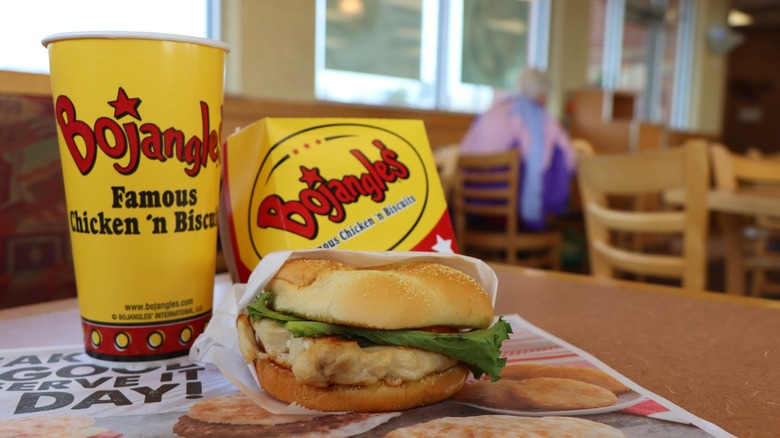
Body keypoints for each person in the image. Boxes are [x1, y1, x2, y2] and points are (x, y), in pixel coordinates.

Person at [459, 67, 575, 231]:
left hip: (470, 205)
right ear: (543, 95)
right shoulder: (541, 121)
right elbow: (568, 162)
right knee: (556, 161)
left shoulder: (491, 112)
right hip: (507, 212)